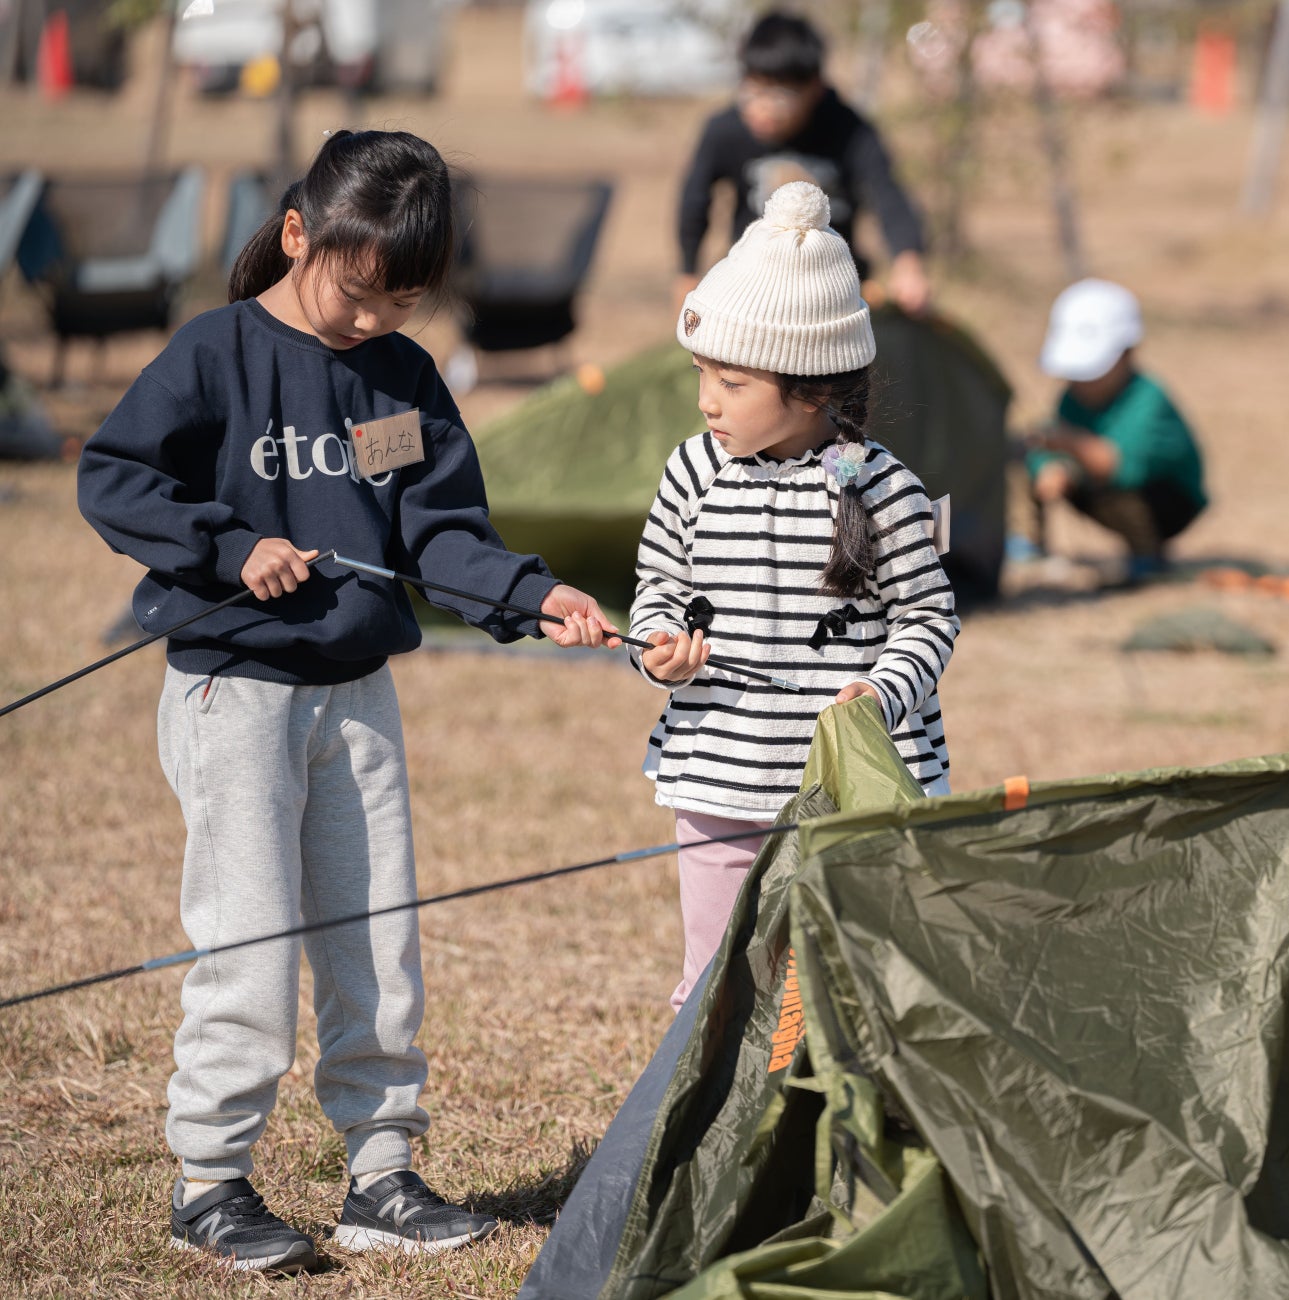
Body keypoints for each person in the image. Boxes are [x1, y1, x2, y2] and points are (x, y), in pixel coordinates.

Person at [76, 130, 620, 1274]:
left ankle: (381, 1173)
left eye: (402, 304)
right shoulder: (216, 351)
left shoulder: (401, 382)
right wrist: (230, 550)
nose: (373, 322)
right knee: (254, 949)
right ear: (297, 236)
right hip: (238, 697)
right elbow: (115, 476)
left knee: (379, 946)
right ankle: (211, 1181)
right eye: (357, 292)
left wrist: (539, 593)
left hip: (358, 697)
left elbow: (439, 535)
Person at [634, 181, 957, 1010]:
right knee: (716, 987)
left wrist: (881, 692)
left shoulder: (884, 489)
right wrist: (660, 651)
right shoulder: (691, 471)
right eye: (702, 372)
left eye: (732, 383)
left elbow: (929, 618)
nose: (707, 399)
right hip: (717, 777)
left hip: (848, 791)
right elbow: (657, 591)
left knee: (847, 990)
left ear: (812, 388)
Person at [673, 11, 930, 317]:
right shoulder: (725, 131)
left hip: (835, 292)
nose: (765, 108)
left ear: (815, 89)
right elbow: (695, 201)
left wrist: (908, 261)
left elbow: (888, 195)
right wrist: (688, 269)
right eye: (754, 92)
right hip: (751, 288)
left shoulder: (851, 131)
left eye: (781, 96)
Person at [1015, 279, 1207, 580]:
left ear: (1128, 354)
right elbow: (1051, 441)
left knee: (1121, 491)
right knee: (1026, 452)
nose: (1081, 382)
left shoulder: (1148, 398)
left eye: (1092, 371)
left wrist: (1068, 444)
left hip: (1165, 496)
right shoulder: (1071, 398)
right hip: (1104, 482)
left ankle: (1147, 555)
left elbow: (1121, 466)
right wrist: (1049, 467)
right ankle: (1029, 542)